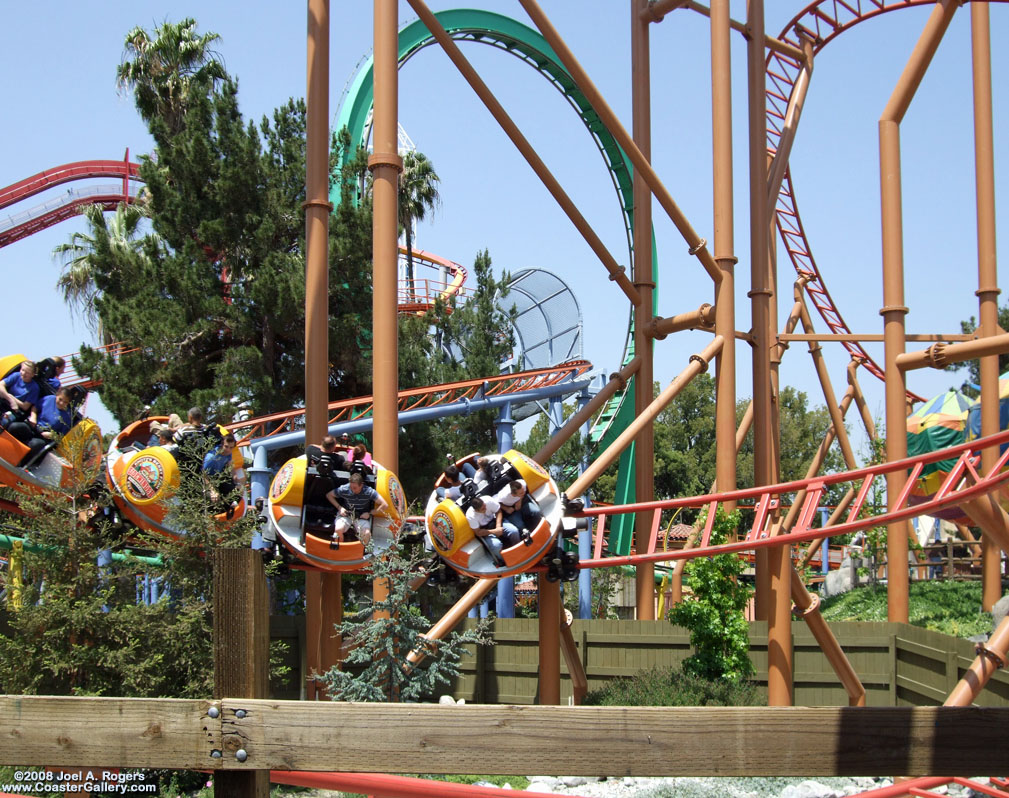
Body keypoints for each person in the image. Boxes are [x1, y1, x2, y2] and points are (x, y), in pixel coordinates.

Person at [326, 472, 387, 547]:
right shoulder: (345, 489)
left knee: (367, 533)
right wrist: (339, 507)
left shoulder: (368, 491)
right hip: (346, 515)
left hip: (361, 516)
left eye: (354, 488)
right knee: (338, 529)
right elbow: (329, 495)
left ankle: (363, 550)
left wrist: (370, 513)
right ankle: (338, 548)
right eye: (351, 487)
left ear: (361, 485)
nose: (352, 490)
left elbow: (384, 504)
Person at [465, 495, 520, 565]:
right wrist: (494, 531)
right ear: (477, 510)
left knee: (514, 531)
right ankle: (504, 560)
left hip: (495, 521)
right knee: (496, 546)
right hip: (485, 530)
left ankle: (518, 550)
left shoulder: (488, 500)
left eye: (484, 506)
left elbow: (498, 511)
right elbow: (478, 532)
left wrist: (498, 526)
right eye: (483, 509)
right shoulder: (470, 516)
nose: (485, 508)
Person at [0, 361, 41, 444]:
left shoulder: (34, 388)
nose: (23, 374)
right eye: (22, 370)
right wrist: (10, 398)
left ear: (33, 375)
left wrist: (12, 399)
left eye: (27, 372)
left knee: (6, 420)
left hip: (15, 410)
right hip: (6, 401)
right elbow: (1, 385)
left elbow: (25, 406)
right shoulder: (16, 376)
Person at [202, 434, 245, 506]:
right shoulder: (212, 457)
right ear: (222, 445)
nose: (228, 450)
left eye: (231, 448)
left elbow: (231, 469)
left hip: (218, 478)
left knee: (236, 493)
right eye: (226, 447)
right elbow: (204, 474)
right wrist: (212, 490)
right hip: (207, 481)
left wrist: (238, 484)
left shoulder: (228, 454)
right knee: (215, 497)